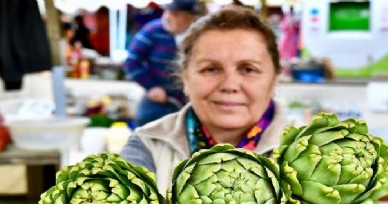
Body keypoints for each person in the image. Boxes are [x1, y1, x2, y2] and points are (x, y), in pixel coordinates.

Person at [121, 7, 293, 194]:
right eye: (211, 69)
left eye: (248, 69)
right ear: (185, 78)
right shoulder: (147, 146)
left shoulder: (314, 153)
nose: (229, 85)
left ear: (275, 79)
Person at [123, 0, 199, 127]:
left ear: (189, 18)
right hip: (158, 100)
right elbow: (131, 61)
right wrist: (151, 86)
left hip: (190, 102)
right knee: (145, 132)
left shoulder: (199, 35)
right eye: (166, 12)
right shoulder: (152, 30)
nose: (167, 17)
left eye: (174, 14)